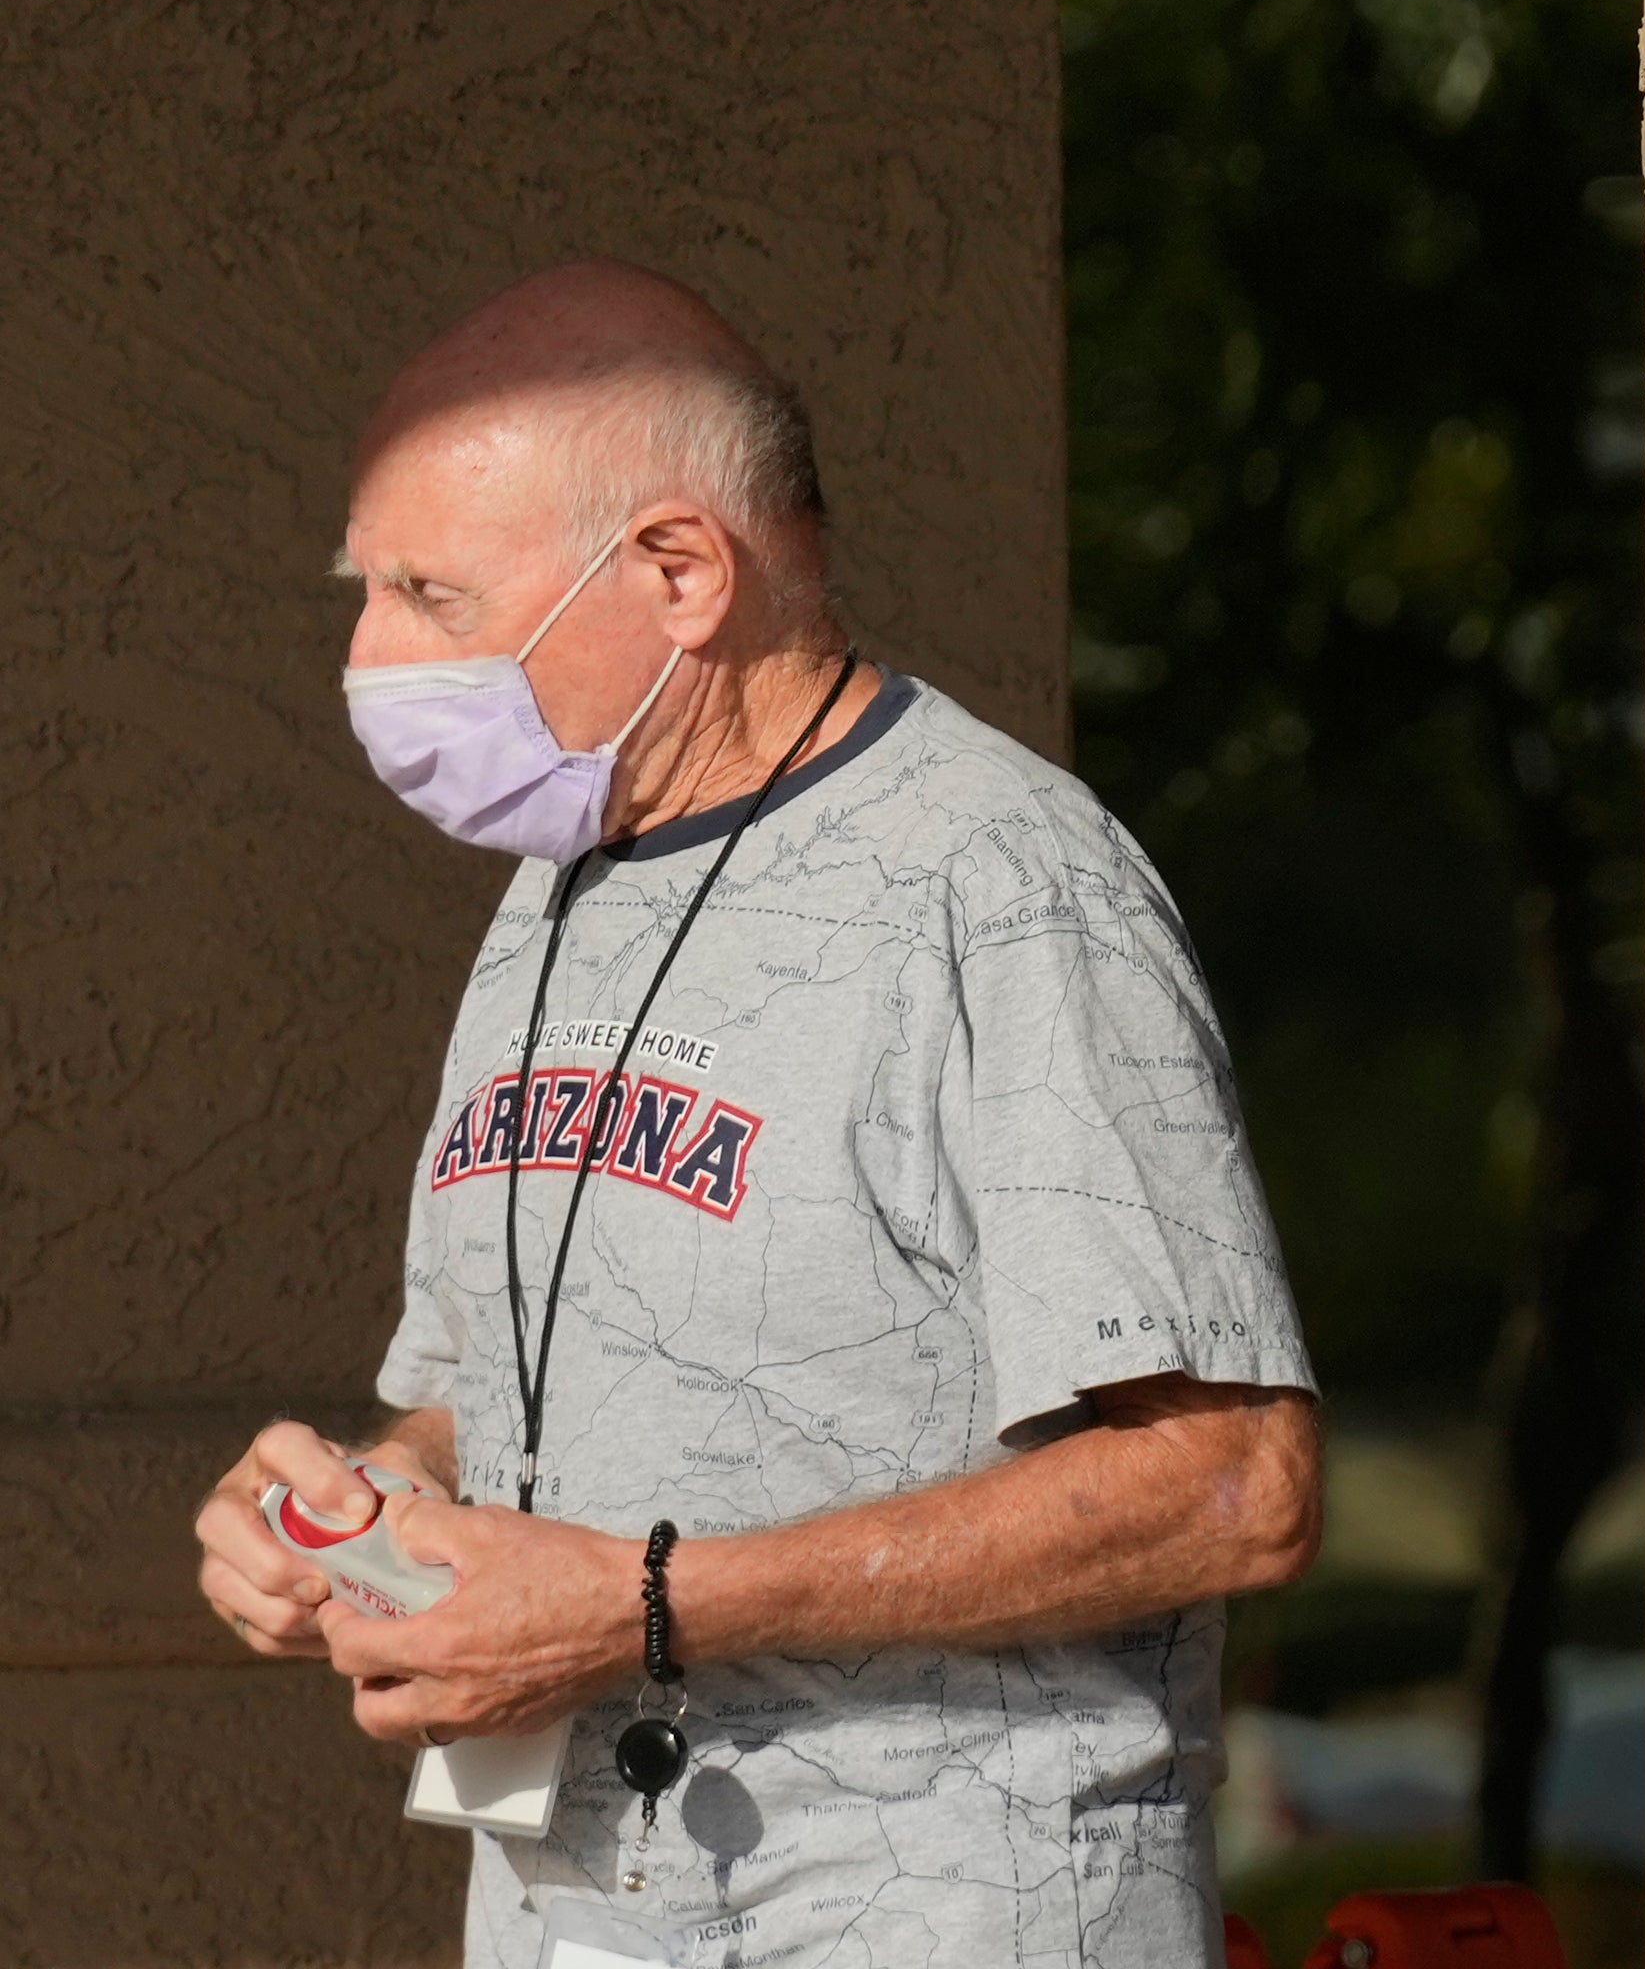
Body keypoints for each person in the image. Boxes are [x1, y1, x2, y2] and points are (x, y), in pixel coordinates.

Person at [188, 262, 1320, 1967]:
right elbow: (484, 1400)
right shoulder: (561, 883)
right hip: (580, 1912)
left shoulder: (1004, 881)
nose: (372, 659)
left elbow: (1232, 1484)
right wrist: (363, 1505)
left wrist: (643, 1606)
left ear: (680, 572)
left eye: (431, 595)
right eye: (369, 592)